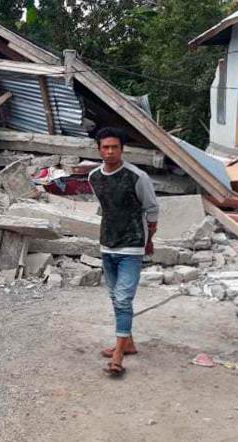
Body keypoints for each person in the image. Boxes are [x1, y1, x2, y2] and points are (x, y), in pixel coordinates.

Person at [87, 126, 159, 377]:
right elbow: (105, 208)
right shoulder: (94, 177)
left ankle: (118, 354)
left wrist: (149, 240)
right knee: (115, 296)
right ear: (98, 150)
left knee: (123, 298)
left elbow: (152, 211)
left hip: (132, 245)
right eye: (105, 147)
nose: (109, 152)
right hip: (107, 243)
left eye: (114, 147)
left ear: (122, 149)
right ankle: (127, 342)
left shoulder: (137, 177)